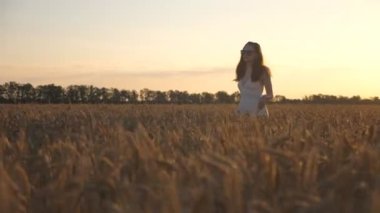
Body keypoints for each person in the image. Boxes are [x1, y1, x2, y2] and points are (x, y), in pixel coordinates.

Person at [234, 41, 273, 117]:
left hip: (258, 112)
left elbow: (270, 94)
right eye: (243, 52)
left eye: (249, 52)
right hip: (241, 111)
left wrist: (263, 99)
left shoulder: (263, 71)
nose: (245, 55)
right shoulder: (241, 70)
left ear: (257, 55)